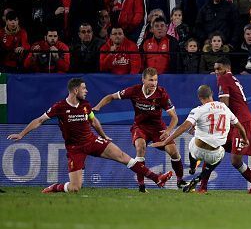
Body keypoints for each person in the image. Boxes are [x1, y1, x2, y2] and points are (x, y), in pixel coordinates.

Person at [7, 78, 172, 193]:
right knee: (75, 188)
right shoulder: (60, 107)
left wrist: (104, 135)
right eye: (84, 88)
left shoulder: (86, 105)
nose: (86, 91)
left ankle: (156, 178)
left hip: (92, 141)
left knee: (123, 156)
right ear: (75, 90)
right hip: (75, 148)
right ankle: (55, 188)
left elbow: (94, 122)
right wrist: (22, 134)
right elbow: (39, 120)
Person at [93, 67, 185, 192]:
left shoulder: (161, 94)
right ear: (143, 80)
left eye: (156, 80)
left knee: (173, 152)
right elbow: (111, 97)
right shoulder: (134, 91)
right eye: (151, 80)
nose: (154, 83)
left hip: (158, 128)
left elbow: (174, 118)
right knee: (140, 147)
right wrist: (98, 106)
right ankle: (141, 186)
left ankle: (180, 180)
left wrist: (168, 131)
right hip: (140, 126)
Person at [152, 84, 251, 194]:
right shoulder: (224, 107)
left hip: (198, 150)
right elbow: (239, 126)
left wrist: (165, 141)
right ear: (211, 94)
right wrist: (245, 139)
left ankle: (192, 167)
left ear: (199, 98)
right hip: (214, 154)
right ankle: (200, 178)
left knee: (193, 141)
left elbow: (183, 127)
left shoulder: (198, 110)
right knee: (220, 153)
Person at [209, 56, 251, 192]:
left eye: (219, 69)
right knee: (214, 148)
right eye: (215, 69)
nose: (216, 72)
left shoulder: (224, 78)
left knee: (235, 160)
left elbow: (224, 105)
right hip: (236, 121)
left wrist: (218, 123)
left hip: (241, 122)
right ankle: (203, 186)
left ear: (227, 68)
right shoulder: (232, 78)